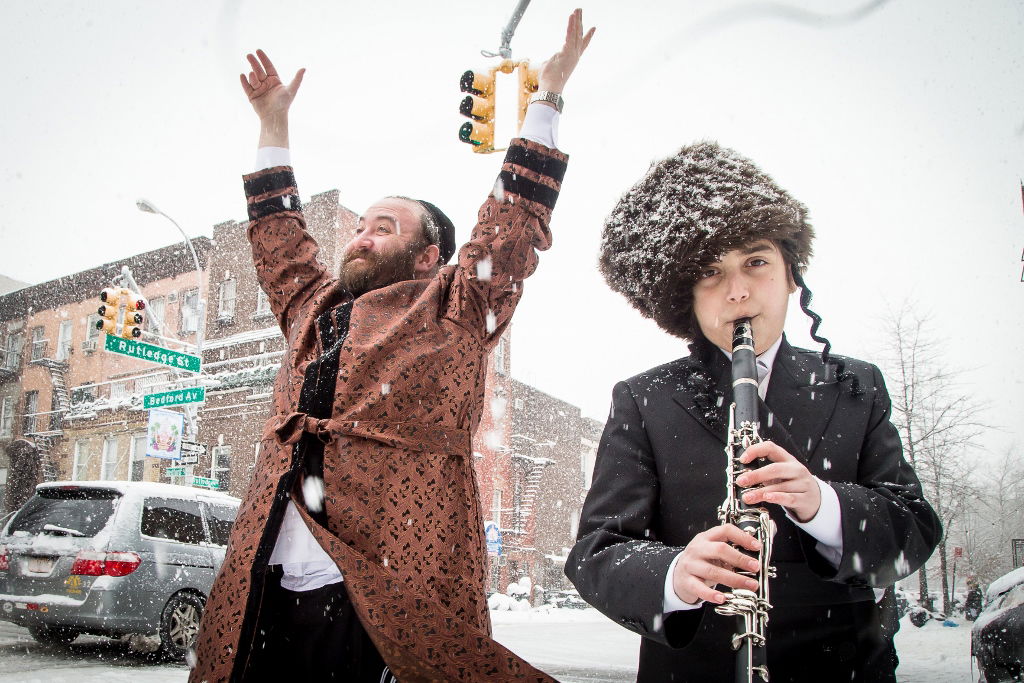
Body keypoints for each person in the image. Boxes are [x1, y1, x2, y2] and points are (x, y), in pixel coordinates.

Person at [189, 10, 594, 682]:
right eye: (359, 226)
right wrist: (272, 125)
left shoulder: (455, 306)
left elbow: (507, 230)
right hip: (265, 587)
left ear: (428, 253)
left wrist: (546, 96)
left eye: (384, 226)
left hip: (382, 592)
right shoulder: (313, 311)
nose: (361, 236)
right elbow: (279, 242)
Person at [565, 141, 942, 682]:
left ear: (793, 274)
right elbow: (596, 553)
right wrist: (675, 574)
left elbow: (914, 529)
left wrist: (823, 505)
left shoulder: (857, 385)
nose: (738, 292)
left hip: (848, 667)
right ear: (686, 297)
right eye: (711, 274)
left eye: (757, 262)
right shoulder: (644, 399)